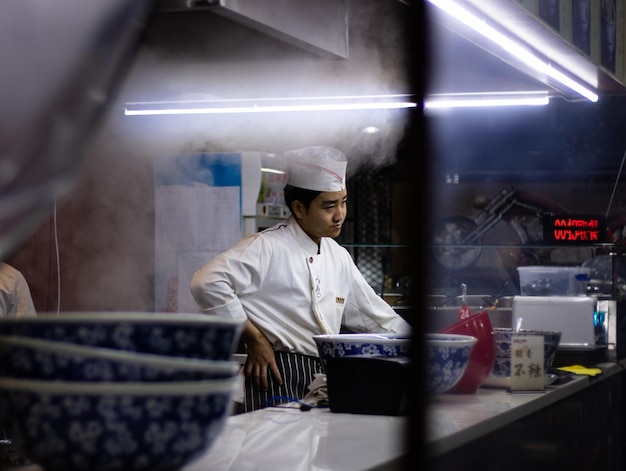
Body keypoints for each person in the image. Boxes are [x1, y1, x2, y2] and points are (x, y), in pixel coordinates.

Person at [190, 146, 412, 412]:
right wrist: (254, 339)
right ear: (299, 208)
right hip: (273, 375)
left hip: (321, 377)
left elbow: (376, 317)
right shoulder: (266, 246)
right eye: (328, 206)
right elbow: (206, 282)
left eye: (343, 201)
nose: (340, 214)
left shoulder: (337, 256)